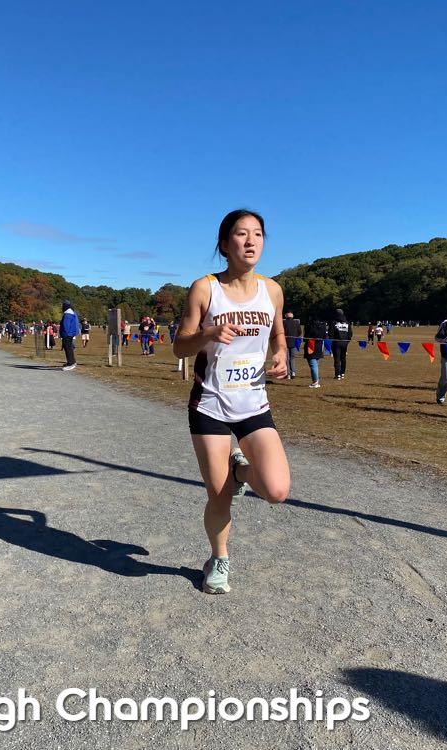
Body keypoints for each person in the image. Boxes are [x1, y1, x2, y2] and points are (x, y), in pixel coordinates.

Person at [173, 208, 290, 595]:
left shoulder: (272, 290)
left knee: (276, 490)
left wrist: (281, 354)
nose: (251, 240)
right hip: (210, 405)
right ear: (225, 244)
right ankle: (218, 558)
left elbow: (278, 335)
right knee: (219, 495)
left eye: (258, 233)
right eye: (241, 233)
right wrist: (208, 333)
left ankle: (240, 472)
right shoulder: (205, 289)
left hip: (254, 404)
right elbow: (179, 346)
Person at [304, 315, 327, 388]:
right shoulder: (323, 326)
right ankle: (316, 380)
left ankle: (315, 382)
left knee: (313, 365)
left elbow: (305, 337)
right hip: (319, 346)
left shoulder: (309, 325)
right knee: (315, 364)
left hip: (311, 346)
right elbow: (325, 336)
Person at [331, 308, 352, 380]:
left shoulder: (334, 322)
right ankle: (342, 373)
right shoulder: (347, 323)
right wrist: (347, 342)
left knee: (337, 359)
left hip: (336, 343)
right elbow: (350, 334)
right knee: (343, 358)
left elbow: (331, 334)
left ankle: (338, 375)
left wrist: (333, 340)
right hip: (345, 343)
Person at [60, 300, 79, 371]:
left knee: (68, 348)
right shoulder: (72, 312)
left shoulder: (67, 314)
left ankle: (71, 363)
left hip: (67, 334)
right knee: (69, 348)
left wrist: (64, 333)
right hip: (70, 333)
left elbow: (66, 325)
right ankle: (71, 362)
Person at [283, 311, 302, 379]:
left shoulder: (284, 322)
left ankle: (288, 374)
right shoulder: (296, 323)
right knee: (292, 358)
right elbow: (299, 332)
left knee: (287, 358)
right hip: (293, 342)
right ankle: (293, 372)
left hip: (285, 342)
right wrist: (295, 336)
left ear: (286, 316)